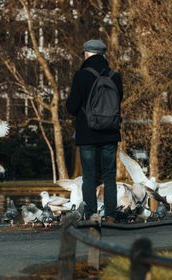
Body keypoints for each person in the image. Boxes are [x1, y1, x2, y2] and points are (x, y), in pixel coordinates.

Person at [66, 39, 123, 223]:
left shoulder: (81, 75)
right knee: (109, 175)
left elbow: (72, 107)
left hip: (88, 134)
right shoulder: (115, 75)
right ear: (103, 54)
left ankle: (91, 214)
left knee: (89, 176)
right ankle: (111, 215)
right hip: (110, 132)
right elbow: (117, 102)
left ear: (87, 53)